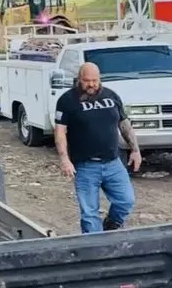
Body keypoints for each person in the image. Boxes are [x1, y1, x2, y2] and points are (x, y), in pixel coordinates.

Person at [54, 61, 141, 234]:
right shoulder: (67, 100)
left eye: (95, 80)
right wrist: (64, 159)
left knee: (126, 201)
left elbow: (124, 124)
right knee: (89, 214)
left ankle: (111, 225)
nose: (91, 84)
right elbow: (60, 132)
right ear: (79, 79)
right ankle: (95, 250)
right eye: (87, 80)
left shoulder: (112, 96)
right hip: (85, 166)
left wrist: (135, 150)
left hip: (113, 162)